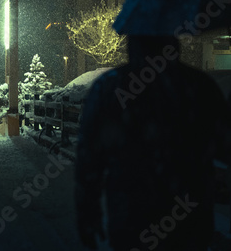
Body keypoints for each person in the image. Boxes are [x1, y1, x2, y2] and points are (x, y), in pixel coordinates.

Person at [75, 36, 230, 251]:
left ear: (133, 41)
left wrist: (87, 213)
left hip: (130, 214)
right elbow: (223, 147)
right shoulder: (200, 86)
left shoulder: (110, 87)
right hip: (189, 216)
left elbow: (88, 158)